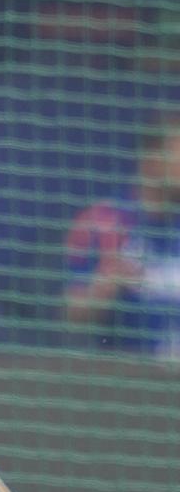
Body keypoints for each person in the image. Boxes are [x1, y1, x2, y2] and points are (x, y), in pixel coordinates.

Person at [64, 119, 180, 358]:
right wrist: (108, 282)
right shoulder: (103, 221)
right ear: (152, 158)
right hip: (128, 370)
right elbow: (73, 313)